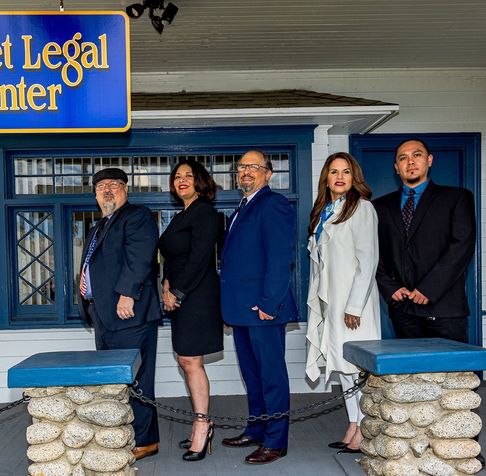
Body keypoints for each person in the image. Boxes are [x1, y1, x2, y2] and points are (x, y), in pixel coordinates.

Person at [219, 150, 299, 465]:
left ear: (268, 173)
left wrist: (269, 303)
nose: (246, 172)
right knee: (252, 376)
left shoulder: (273, 204)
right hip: (241, 311)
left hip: (263, 309)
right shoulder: (242, 207)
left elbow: (281, 258)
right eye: (242, 168)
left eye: (254, 167)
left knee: (271, 377)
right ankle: (257, 429)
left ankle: (276, 441)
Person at [76, 167, 162, 461]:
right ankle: (122, 435)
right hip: (102, 316)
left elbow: (140, 257)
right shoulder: (98, 227)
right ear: (95, 194)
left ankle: (145, 440)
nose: (107, 190)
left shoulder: (136, 216)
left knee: (137, 379)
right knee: (114, 381)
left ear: (126, 189)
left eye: (114, 184)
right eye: (101, 186)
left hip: (130, 314)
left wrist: (128, 294)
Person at [305, 152, 381, 454]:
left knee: (357, 367)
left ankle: (365, 427)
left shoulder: (362, 208)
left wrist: (354, 306)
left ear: (354, 177)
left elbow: (368, 259)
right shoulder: (324, 210)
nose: (339, 176)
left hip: (353, 304)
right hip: (332, 301)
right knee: (343, 367)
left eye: (346, 171)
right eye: (333, 171)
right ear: (326, 178)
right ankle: (353, 424)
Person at [373, 139, 476, 343]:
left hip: (445, 310)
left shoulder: (457, 197)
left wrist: (428, 289)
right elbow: (372, 252)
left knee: (454, 373)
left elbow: (462, 246)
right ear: (396, 167)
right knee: (411, 374)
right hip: (403, 311)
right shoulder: (379, 207)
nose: (410, 162)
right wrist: (389, 287)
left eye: (416, 155)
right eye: (403, 158)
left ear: (429, 160)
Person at [158, 159, 224, 462]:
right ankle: (202, 422)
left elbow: (200, 260)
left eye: (188, 176)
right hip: (179, 293)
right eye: (177, 177)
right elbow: (171, 258)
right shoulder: (180, 215)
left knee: (190, 359)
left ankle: (202, 425)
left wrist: (178, 293)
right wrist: (166, 286)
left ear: (200, 181)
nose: (181, 180)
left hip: (197, 296)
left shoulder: (205, 213)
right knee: (186, 360)